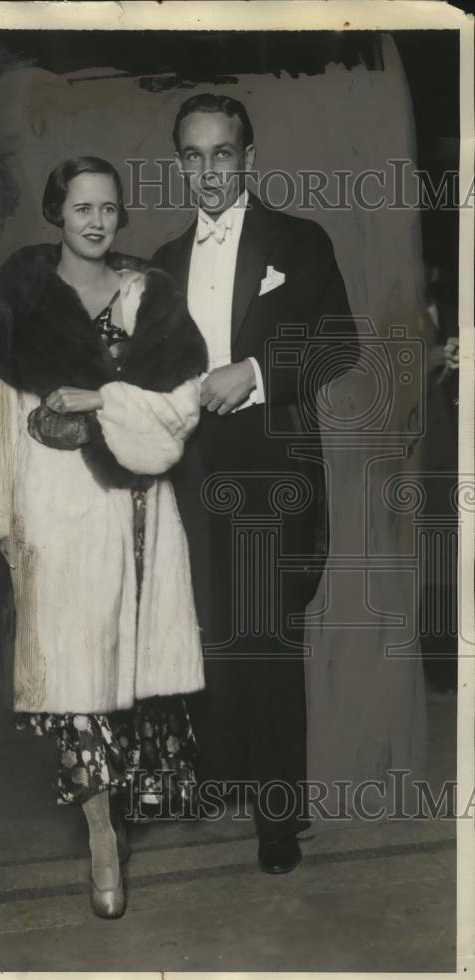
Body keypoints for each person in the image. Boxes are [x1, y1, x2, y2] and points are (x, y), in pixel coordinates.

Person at [0, 156, 207, 918]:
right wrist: (8, 526)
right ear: (57, 212)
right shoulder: (20, 296)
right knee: (78, 685)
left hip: (139, 507)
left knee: (128, 686)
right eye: (81, 207)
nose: (97, 220)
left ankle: (118, 815)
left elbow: (177, 415)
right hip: (58, 511)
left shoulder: (152, 297)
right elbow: (2, 422)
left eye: (108, 207)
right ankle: (101, 837)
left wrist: (105, 398)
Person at [152, 94, 359, 874]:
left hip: (274, 472)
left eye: (222, 155)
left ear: (249, 158)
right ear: (180, 163)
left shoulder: (299, 242)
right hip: (191, 471)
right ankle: (217, 779)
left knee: (269, 640)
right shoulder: (165, 262)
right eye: (193, 156)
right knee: (205, 632)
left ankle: (279, 818)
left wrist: (259, 374)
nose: (208, 172)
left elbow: (340, 347)